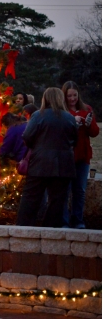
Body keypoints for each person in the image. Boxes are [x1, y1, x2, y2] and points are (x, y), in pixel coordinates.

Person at [16, 88, 78, 228]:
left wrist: (37, 147)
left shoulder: (38, 115)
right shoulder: (69, 117)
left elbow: (27, 136)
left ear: (45, 98)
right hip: (64, 164)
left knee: (31, 198)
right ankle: (51, 230)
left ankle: (24, 228)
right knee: (57, 201)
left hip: (40, 162)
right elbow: (75, 139)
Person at [62, 81, 99, 229]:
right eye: (69, 96)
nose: (72, 99)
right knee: (65, 190)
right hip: (67, 156)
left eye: (74, 95)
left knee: (80, 190)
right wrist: (73, 123)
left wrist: (89, 124)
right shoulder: (62, 111)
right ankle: (63, 221)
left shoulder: (87, 109)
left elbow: (95, 133)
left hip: (83, 156)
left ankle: (78, 220)